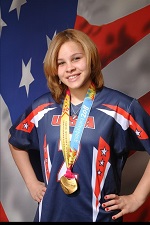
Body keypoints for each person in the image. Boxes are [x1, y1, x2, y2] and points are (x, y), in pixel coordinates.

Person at [8, 29, 150, 222]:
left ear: (90, 59)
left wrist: (137, 198)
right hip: (49, 216)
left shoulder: (120, 107)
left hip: (99, 217)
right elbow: (15, 141)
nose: (70, 68)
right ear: (55, 70)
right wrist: (32, 182)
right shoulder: (42, 107)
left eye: (76, 59)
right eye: (61, 63)